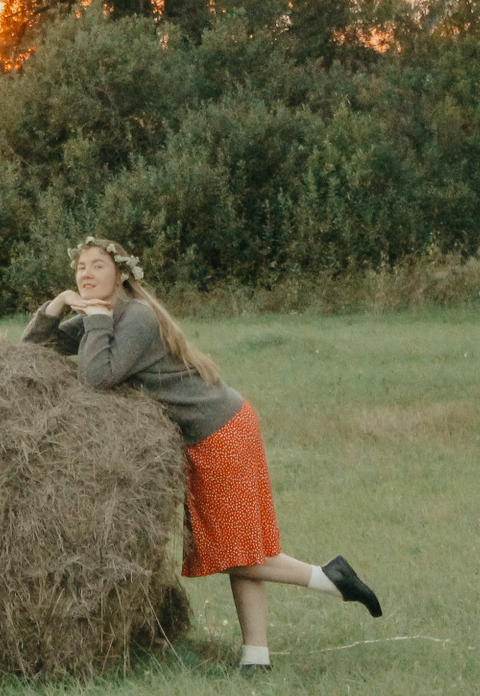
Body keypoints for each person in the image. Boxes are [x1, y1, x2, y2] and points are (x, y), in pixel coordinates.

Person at [22, 236, 382, 672]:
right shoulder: (102, 316)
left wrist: (95, 319)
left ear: (121, 273)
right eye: (80, 267)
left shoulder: (136, 317)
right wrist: (58, 305)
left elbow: (97, 377)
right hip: (214, 432)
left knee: (237, 551)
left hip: (221, 432)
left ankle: (329, 578)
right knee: (242, 548)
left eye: (98, 265)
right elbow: (34, 349)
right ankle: (256, 658)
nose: (86, 274)